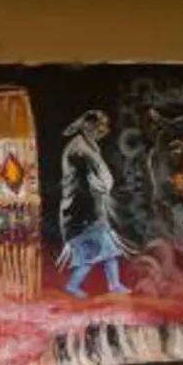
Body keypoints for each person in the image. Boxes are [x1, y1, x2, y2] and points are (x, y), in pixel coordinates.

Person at [57, 110, 129, 298]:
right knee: (91, 258)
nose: (103, 131)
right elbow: (91, 185)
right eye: (99, 127)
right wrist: (99, 214)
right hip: (82, 214)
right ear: (88, 127)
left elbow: (100, 182)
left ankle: (113, 285)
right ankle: (76, 286)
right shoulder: (79, 149)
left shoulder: (88, 147)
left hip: (88, 212)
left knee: (105, 254)